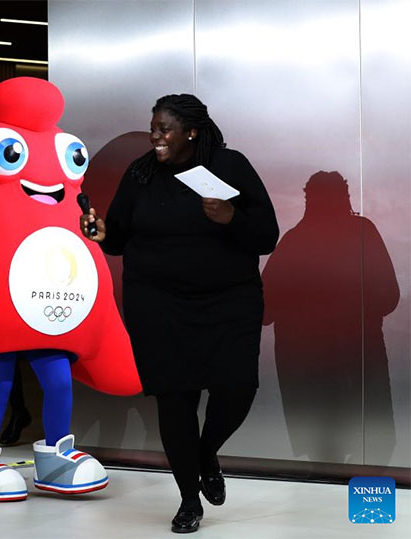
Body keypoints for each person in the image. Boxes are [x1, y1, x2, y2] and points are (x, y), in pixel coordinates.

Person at [80, 94, 279, 533]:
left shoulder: (229, 167)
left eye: (163, 128)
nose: (155, 136)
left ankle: (206, 453)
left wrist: (231, 218)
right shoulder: (142, 173)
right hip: (158, 305)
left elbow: (267, 236)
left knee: (238, 388)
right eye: (152, 127)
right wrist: (102, 233)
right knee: (175, 402)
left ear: (191, 130)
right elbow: (119, 238)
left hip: (229, 301)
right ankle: (190, 499)